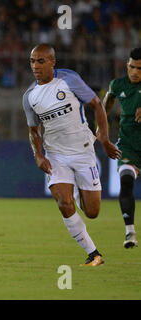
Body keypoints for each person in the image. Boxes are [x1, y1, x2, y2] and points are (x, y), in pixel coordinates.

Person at [22, 44, 121, 266]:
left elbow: (97, 106)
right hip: (56, 155)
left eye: (41, 61)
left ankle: (76, 191)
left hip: (84, 151)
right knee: (63, 203)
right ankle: (93, 253)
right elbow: (34, 131)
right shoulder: (29, 96)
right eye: (32, 61)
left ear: (52, 62)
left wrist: (104, 139)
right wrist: (38, 155)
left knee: (92, 212)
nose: (35, 66)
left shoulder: (69, 79)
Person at [103, 47, 141, 249]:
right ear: (127, 65)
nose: (135, 72)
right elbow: (105, 107)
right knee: (126, 182)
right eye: (131, 67)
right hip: (128, 146)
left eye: (139, 68)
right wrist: (100, 130)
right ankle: (130, 233)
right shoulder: (117, 85)